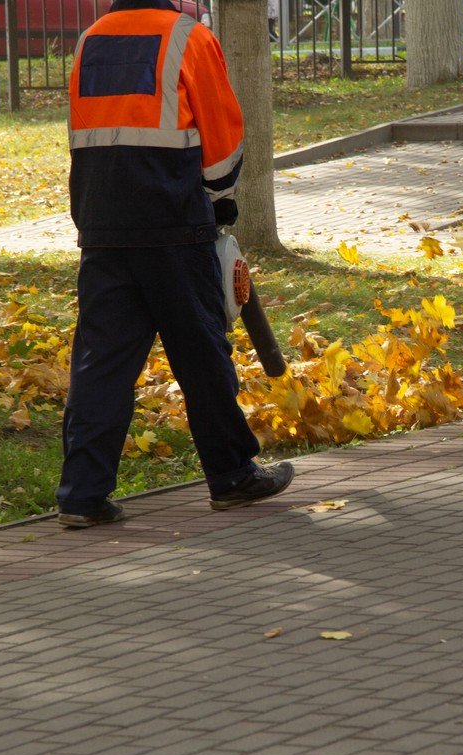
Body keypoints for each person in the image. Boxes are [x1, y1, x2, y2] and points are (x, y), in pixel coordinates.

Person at [57, 0, 294, 528]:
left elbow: (83, 133)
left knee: (102, 364)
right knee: (202, 355)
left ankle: (82, 494)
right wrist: (221, 198)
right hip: (173, 221)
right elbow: (223, 137)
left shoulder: (90, 40)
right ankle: (232, 476)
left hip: (103, 223)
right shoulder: (189, 37)